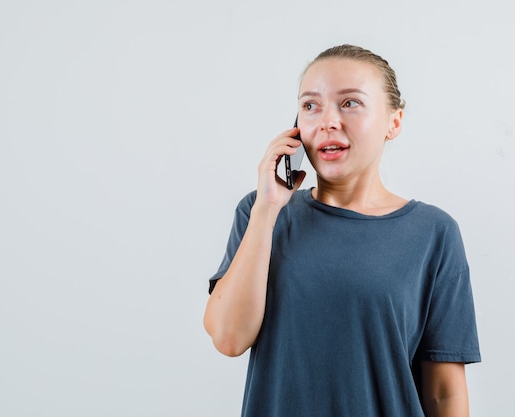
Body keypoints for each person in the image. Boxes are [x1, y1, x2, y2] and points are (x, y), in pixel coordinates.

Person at [203, 44, 481, 417]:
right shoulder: (260, 214)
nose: (327, 121)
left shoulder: (434, 233)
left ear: (393, 122)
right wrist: (267, 209)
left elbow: (444, 393)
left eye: (350, 103)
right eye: (310, 105)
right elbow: (229, 338)